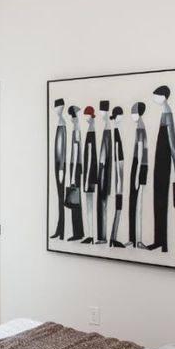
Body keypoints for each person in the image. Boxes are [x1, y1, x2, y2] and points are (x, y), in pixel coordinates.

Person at [147, 85, 175, 253]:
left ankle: (163, 243)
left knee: (161, 201)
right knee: (157, 201)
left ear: (163, 96)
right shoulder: (164, 113)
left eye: (156, 95)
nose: (154, 98)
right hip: (160, 164)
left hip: (164, 165)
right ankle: (158, 240)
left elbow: (173, 144)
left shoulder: (168, 114)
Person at [128, 102, 149, 248]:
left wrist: (136, 175)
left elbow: (141, 151)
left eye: (133, 112)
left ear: (138, 113)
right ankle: (133, 239)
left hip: (140, 166)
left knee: (138, 203)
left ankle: (138, 239)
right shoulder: (139, 126)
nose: (132, 115)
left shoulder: (140, 127)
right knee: (133, 202)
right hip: (138, 165)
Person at [108, 106, 126, 248]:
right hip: (118, 174)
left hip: (119, 170)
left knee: (119, 205)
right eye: (121, 115)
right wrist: (119, 180)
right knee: (119, 204)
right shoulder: (114, 131)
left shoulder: (117, 130)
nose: (122, 118)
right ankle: (113, 238)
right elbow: (115, 155)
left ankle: (114, 237)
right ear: (117, 116)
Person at [66, 106, 84, 241]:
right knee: (76, 201)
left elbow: (76, 149)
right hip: (76, 166)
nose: (71, 119)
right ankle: (79, 232)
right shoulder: (76, 128)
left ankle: (77, 232)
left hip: (75, 166)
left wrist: (72, 175)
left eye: (71, 116)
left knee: (75, 201)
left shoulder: (76, 129)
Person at [81, 105, 98, 245]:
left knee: (89, 203)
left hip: (89, 175)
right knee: (89, 204)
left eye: (86, 115)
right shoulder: (91, 130)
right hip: (89, 174)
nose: (85, 117)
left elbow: (91, 156)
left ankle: (91, 235)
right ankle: (91, 234)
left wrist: (86, 178)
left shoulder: (91, 131)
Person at [96, 101, 112, 246]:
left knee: (103, 206)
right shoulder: (107, 128)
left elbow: (104, 156)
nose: (100, 113)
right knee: (102, 206)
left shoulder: (107, 129)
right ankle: (102, 236)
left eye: (101, 111)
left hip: (103, 175)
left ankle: (103, 236)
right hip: (103, 174)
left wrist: (100, 171)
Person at [51, 98, 67, 240]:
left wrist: (61, 168)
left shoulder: (62, 123)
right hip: (57, 165)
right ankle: (59, 228)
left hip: (59, 166)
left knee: (61, 198)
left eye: (57, 106)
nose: (56, 109)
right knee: (59, 198)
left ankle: (61, 229)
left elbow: (62, 150)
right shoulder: (60, 121)